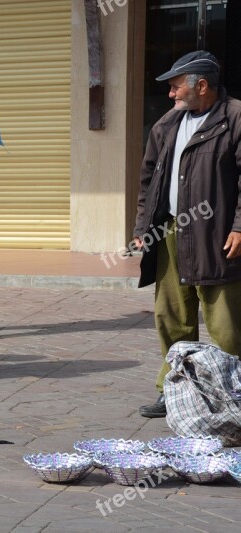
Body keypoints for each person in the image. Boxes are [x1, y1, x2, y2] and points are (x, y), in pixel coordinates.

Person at [133, 51, 241, 418]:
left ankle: (234, 394)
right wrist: (141, 228)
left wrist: (240, 226)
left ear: (202, 85)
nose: (171, 94)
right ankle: (174, 390)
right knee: (171, 317)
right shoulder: (168, 123)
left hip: (218, 236)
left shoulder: (235, 117)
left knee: (226, 324)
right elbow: (148, 178)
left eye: (176, 86)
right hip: (170, 233)